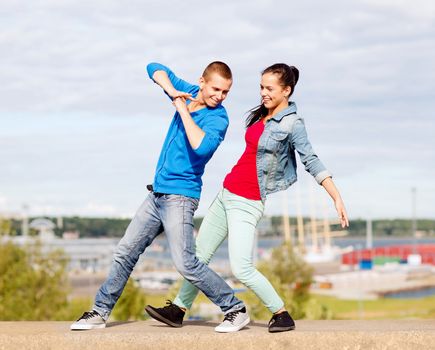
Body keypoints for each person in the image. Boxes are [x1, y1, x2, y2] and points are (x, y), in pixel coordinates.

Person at [146, 63, 349, 333]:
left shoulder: (292, 123)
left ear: (286, 90)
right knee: (199, 257)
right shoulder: (262, 116)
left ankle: (281, 314)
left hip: (248, 201)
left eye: (269, 88)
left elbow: (311, 159)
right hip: (226, 193)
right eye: (261, 87)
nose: (263, 93)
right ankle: (178, 309)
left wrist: (335, 196)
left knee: (241, 267)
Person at [70, 61, 250, 333]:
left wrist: (181, 107)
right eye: (216, 89)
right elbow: (153, 67)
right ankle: (99, 311)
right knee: (125, 252)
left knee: (185, 262)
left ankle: (234, 309)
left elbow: (200, 147)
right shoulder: (187, 91)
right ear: (202, 81)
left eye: (225, 92)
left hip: (181, 197)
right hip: (156, 195)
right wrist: (171, 91)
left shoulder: (219, 119)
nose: (220, 96)